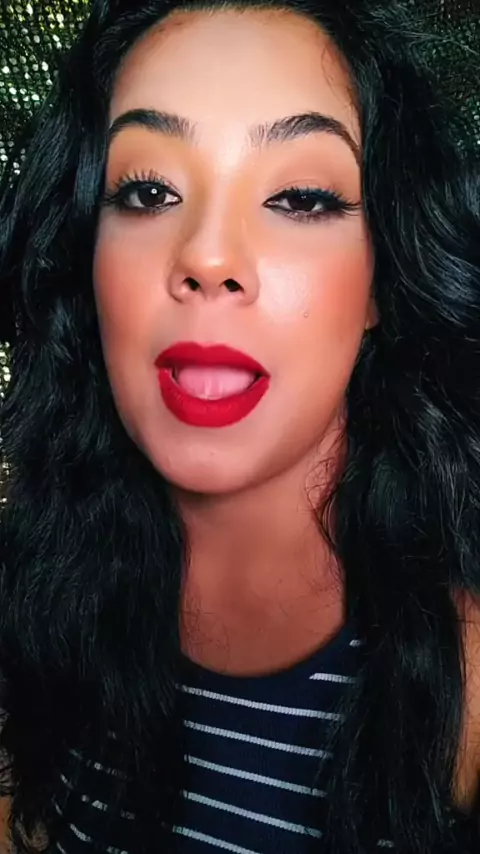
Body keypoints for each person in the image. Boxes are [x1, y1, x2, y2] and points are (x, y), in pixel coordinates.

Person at [0, 0, 479, 851]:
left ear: (382, 276)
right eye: (148, 192)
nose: (208, 258)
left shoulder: (466, 677)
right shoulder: (32, 593)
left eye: (299, 197)